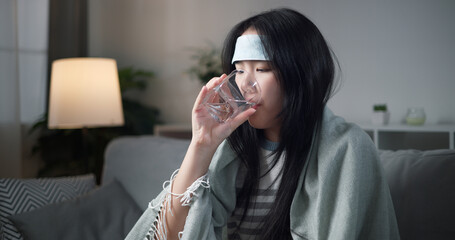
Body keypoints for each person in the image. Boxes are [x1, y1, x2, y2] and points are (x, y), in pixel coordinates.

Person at [127, 8, 399, 240]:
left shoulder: (348, 148)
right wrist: (201, 144)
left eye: (262, 69)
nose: (245, 84)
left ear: (301, 75)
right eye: (241, 69)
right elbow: (168, 236)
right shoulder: (230, 150)